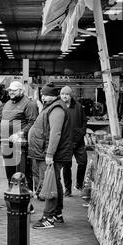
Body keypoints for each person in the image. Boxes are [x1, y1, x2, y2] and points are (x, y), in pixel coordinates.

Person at [29, 82, 72, 229]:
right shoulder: (51, 106)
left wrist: (49, 153)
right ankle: (57, 213)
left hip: (52, 153)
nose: (42, 97)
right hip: (49, 151)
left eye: (45, 94)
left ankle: (48, 218)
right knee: (55, 182)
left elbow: (56, 132)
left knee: (50, 183)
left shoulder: (57, 109)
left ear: (52, 96)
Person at [0, 81, 38, 211]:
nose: (11, 92)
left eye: (14, 90)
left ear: (21, 90)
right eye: (9, 90)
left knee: (22, 175)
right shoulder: (7, 103)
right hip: (7, 144)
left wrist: (20, 133)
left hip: (21, 145)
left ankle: (27, 205)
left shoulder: (29, 104)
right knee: (10, 174)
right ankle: (13, 200)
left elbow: (33, 122)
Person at [60, 86, 88, 196]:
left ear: (71, 95)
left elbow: (84, 122)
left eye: (66, 94)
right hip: (65, 142)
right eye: (62, 94)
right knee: (66, 166)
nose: (64, 96)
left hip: (78, 141)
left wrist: (81, 133)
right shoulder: (59, 107)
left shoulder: (78, 107)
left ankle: (79, 184)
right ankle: (67, 189)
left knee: (83, 162)